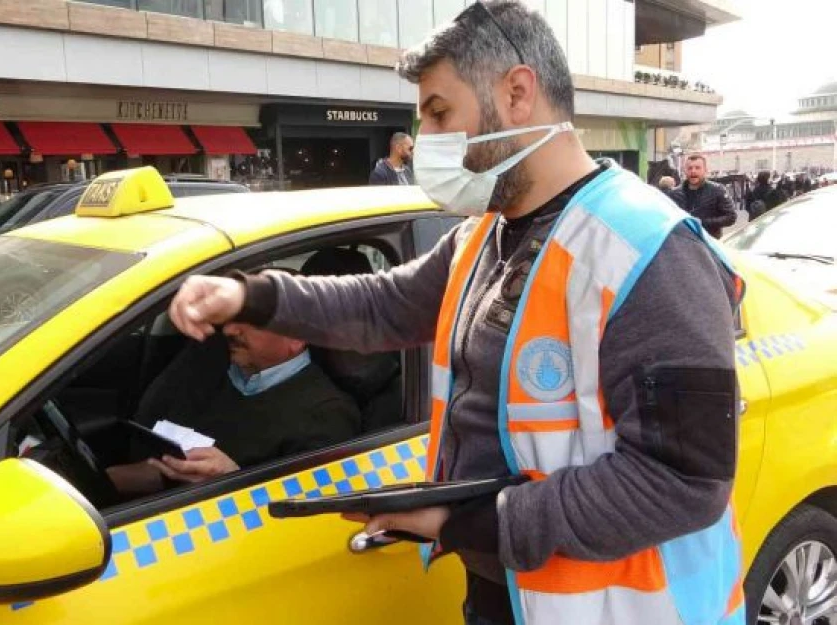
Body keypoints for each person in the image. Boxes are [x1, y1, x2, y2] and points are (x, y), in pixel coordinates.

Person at [167, 2, 744, 624]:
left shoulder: (648, 250)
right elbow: (385, 305)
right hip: (507, 591)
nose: (428, 141)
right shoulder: (482, 235)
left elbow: (682, 481)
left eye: (441, 112)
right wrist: (252, 296)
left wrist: (466, 520)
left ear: (517, 92)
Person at [108, 300, 361, 497]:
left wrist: (232, 477)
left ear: (296, 337)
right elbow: (169, 469)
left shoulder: (327, 415)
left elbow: (307, 518)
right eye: (232, 317)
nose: (230, 330)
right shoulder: (212, 369)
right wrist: (99, 483)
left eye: (251, 321)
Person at [667, 154, 737, 238]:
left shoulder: (718, 190)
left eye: (697, 168)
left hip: (708, 243)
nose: (693, 171)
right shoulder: (674, 193)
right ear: (685, 171)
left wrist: (703, 222)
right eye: (690, 168)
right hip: (683, 243)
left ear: (705, 170)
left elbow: (731, 217)